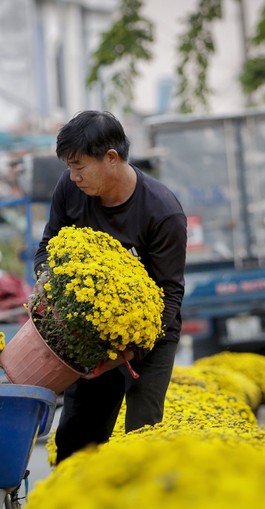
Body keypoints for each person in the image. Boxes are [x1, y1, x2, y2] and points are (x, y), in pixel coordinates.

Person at [34, 110, 187, 464]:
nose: (73, 177)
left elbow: (170, 294)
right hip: (88, 334)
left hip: (150, 337)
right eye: (68, 167)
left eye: (79, 167)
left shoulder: (162, 212)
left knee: (142, 435)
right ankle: (75, 508)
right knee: (77, 434)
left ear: (111, 159)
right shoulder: (70, 190)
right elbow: (46, 248)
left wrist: (129, 354)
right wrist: (46, 281)